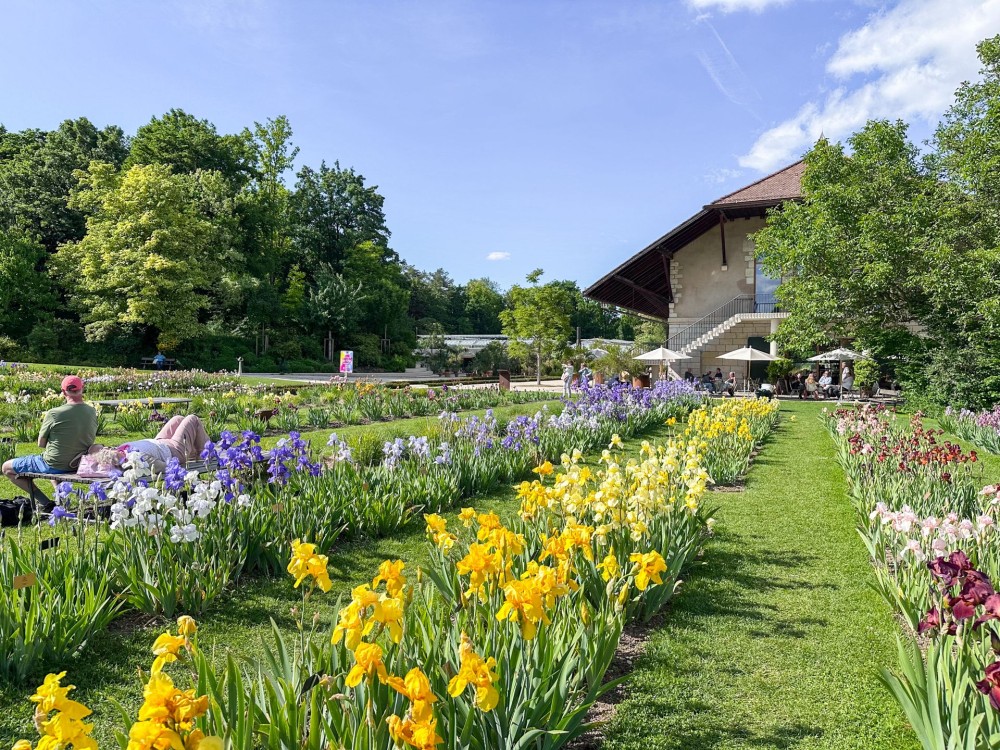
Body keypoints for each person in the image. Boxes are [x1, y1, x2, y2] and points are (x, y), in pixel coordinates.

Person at [2, 376, 97, 506]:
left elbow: (41, 444)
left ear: (63, 392)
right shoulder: (91, 411)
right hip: (78, 463)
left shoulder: (54, 413)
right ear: (82, 389)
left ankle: (45, 503)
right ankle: (61, 500)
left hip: (54, 463)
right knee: (54, 467)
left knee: (6, 467)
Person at [92, 414, 210, 474]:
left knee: (178, 419)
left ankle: (194, 450)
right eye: (109, 450)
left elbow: (93, 448)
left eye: (108, 449)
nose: (109, 448)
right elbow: (163, 467)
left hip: (159, 443)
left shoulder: (122, 450)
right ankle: (206, 453)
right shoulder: (137, 459)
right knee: (192, 419)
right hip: (174, 451)